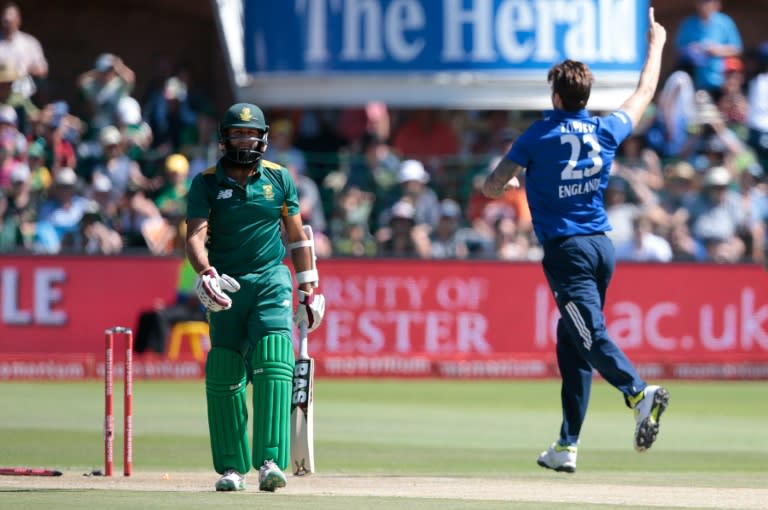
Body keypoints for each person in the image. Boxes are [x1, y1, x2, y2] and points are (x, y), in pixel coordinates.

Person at [482, 8, 670, 473]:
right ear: (585, 96)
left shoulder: (537, 134)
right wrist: (657, 45)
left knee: (589, 334)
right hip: (602, 246)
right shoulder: (605, 129)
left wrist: (506, 185)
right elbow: (645, 92)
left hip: (567, 250)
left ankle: (638, 393)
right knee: (572, 343)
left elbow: (490, 184)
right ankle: (567, 444)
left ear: (555, 94)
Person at [185, 102, 326, 492]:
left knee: (275, 358)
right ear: (224, 138)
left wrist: (309, 288)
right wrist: (206, 272)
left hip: (271, 281)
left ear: (262, 138)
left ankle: (270, 462)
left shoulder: (280, 179)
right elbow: (194, 238)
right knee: (225, 368)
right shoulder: (206, 182)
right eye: (237, 134)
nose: (244, 140)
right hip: (227, 285)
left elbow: (297, 237)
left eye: (251, 134)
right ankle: (232, 467)